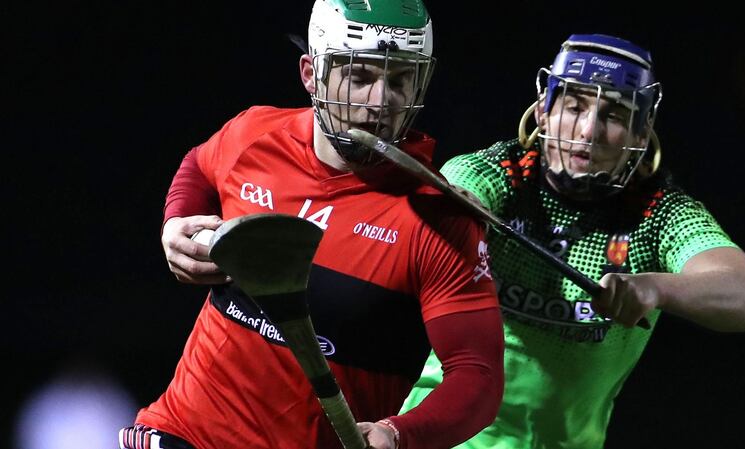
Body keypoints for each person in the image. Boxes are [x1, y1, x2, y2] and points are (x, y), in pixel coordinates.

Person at [120, 2, 505, 449]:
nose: (380, 102)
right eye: (359, 77)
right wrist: (176, 220)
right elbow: (200, 165)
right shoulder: (254, 135)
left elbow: (478, 377)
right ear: (310, 73)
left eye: (399, 80)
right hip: (184, 433)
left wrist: (399, 435)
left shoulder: (439, 220)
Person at [399, 33, 745, 448]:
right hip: (442, 437)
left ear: (642, 133)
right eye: (574, 107)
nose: (588, 130)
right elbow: (457, 194)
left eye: (613, 115)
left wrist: (655, 286)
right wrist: (459, 216)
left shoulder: (659, 214)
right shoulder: (500, 172)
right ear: (543, 111)